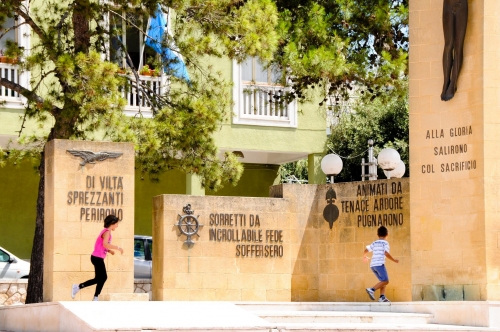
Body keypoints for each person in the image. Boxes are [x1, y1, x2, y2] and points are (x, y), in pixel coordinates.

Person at [71, 215, 123, 301]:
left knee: (98, 279)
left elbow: (102, 245)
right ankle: (95, 296)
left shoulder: (106, 231)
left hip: (97, 257)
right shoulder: (107, 232)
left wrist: (109, 251)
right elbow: (105, 244)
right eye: (117, 224)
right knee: (103, 277)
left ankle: (78, 287)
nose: (117, 225)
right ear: (112, 223)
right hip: (97, 258)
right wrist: (118, 248)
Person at [441, 0, 468, 101]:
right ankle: (446, 82)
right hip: (447, 5)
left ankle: (453, 83)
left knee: (458, 46)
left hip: (461, 5)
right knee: (448, 44)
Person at [363, 226, 399, 302]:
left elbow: (366, 250)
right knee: (386, 280)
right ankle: (372, 290)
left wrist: (365, 257)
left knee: (382, 281)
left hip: (373, 265)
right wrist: (394, 260)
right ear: (387, 234)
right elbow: (386, 253)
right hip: (379, 264)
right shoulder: (385, 243)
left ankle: (382, 297)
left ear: (377, 234)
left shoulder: (374, 243)